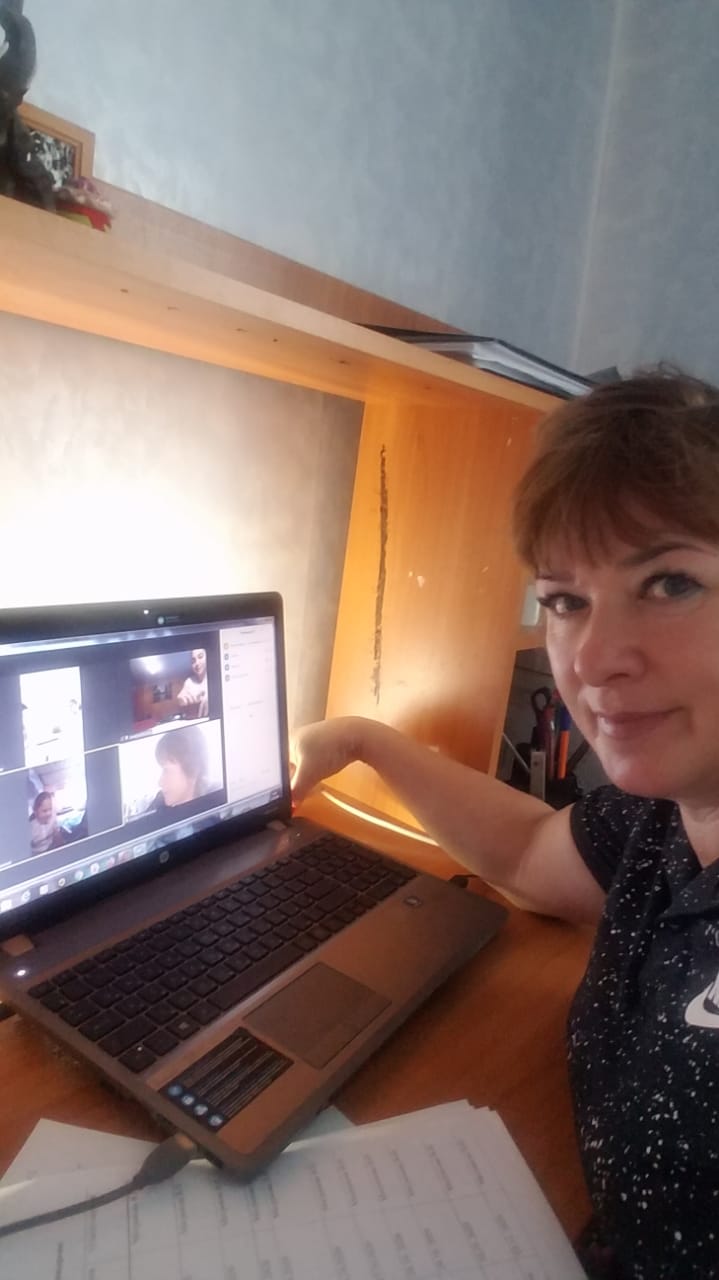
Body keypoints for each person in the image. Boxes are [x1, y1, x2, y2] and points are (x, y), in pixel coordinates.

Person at [290, 368, 719, 1280]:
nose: (592, 660)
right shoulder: (663, 817)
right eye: (564, 599)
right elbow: (529, 852)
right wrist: (367, 741)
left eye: (670, 582)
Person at [153, 725, 212, 808]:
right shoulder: (159, 801)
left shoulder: (212, 808)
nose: (160, 783)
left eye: (166, 771)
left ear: (193, 770)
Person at [176, 648, 208, 717]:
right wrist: (181, 699)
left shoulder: (215, 676)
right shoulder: (189, 681)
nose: (197, 663)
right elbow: (181, 697)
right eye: (193, 661)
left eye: (200, 657)